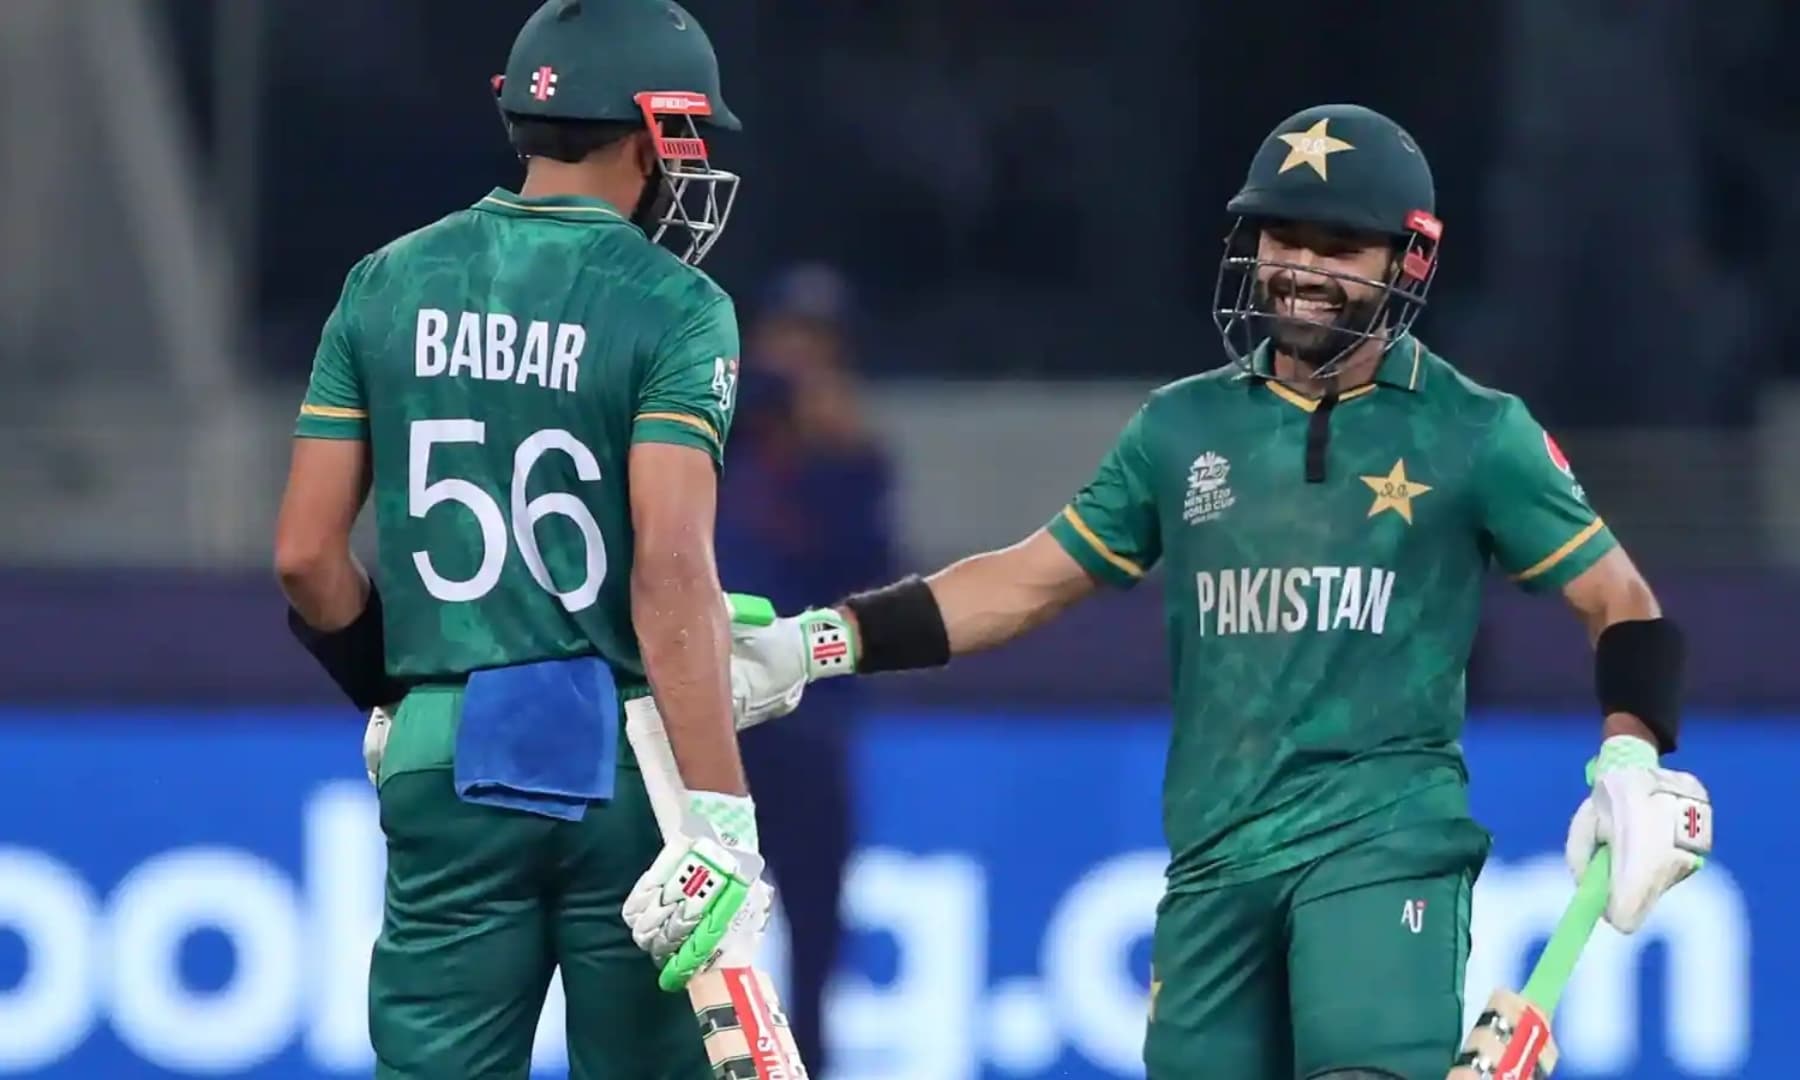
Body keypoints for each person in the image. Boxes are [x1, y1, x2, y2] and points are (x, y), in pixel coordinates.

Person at [724, 103, 1715, 1079]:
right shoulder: (1181, 429)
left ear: (1407, 262)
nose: (1303, 269)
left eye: (1341, 246)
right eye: (1287, 236)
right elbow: (1026, 580)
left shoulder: (1474, 430)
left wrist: (1630, 754)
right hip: (1212, 863)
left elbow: (1623, 602)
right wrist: (823, 642)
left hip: (1383, 845)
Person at [272, 2, 768, 1075]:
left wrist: (400, 692)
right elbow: (672, 570)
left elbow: (306, 559)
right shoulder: (677, 306)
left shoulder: (387, 280)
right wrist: (722, 815)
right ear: (653, 134)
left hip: (446, 750)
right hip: (624, 757)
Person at [716, 263, 898, 1071]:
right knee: (702, 930)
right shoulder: (714, 444)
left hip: (809, 727)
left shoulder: (852, 462)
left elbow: (870, 589)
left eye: (817, 346)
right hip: (711, 727)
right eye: (787, 339)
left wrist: (837, 457)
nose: (797, 362)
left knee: (816, 934)